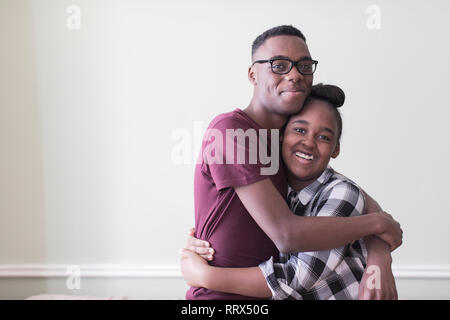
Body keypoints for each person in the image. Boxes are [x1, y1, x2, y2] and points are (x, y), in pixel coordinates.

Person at [186, 25, 402, 300]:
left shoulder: (281, 143)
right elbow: (286, 234)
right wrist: (376, 225)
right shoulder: (232, 131)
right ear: (253, 73)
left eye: (304, 66)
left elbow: (351, 194)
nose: (294, 74)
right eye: (279, 65)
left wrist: (379, 255)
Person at [182, 84, 380, 299]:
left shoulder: (342, 192)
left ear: (336, 150)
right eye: (300, 130)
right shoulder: (273, 187)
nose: (309, 143)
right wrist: (201, 244)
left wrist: (204, 275)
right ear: (281, 136)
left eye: (323, 137)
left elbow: (296, 277)